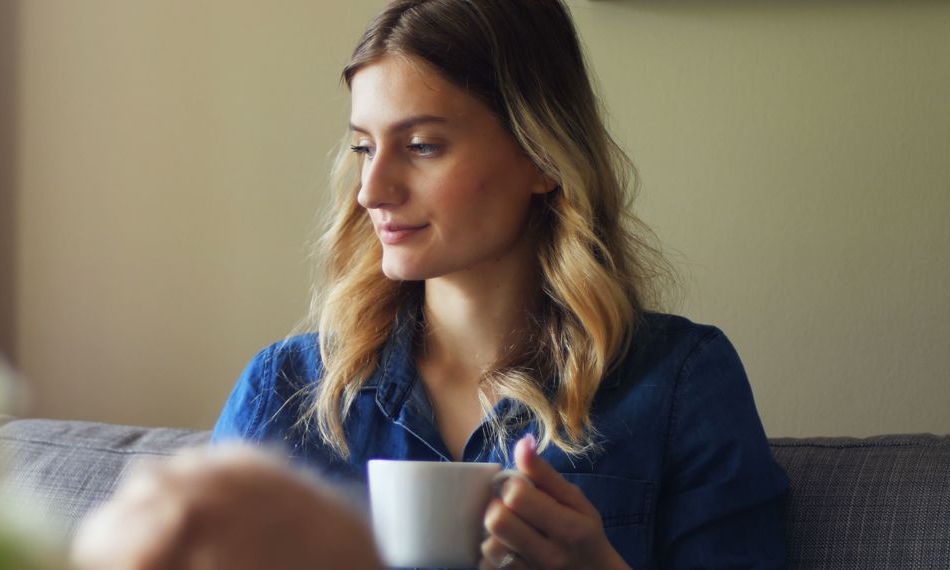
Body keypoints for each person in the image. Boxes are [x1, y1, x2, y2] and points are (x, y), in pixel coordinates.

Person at [77, 1, 789, 568]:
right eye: (363, 147)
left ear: (542, 157)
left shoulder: (679, 386)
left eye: (421, 146)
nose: (371, 190)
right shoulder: (285, 395)